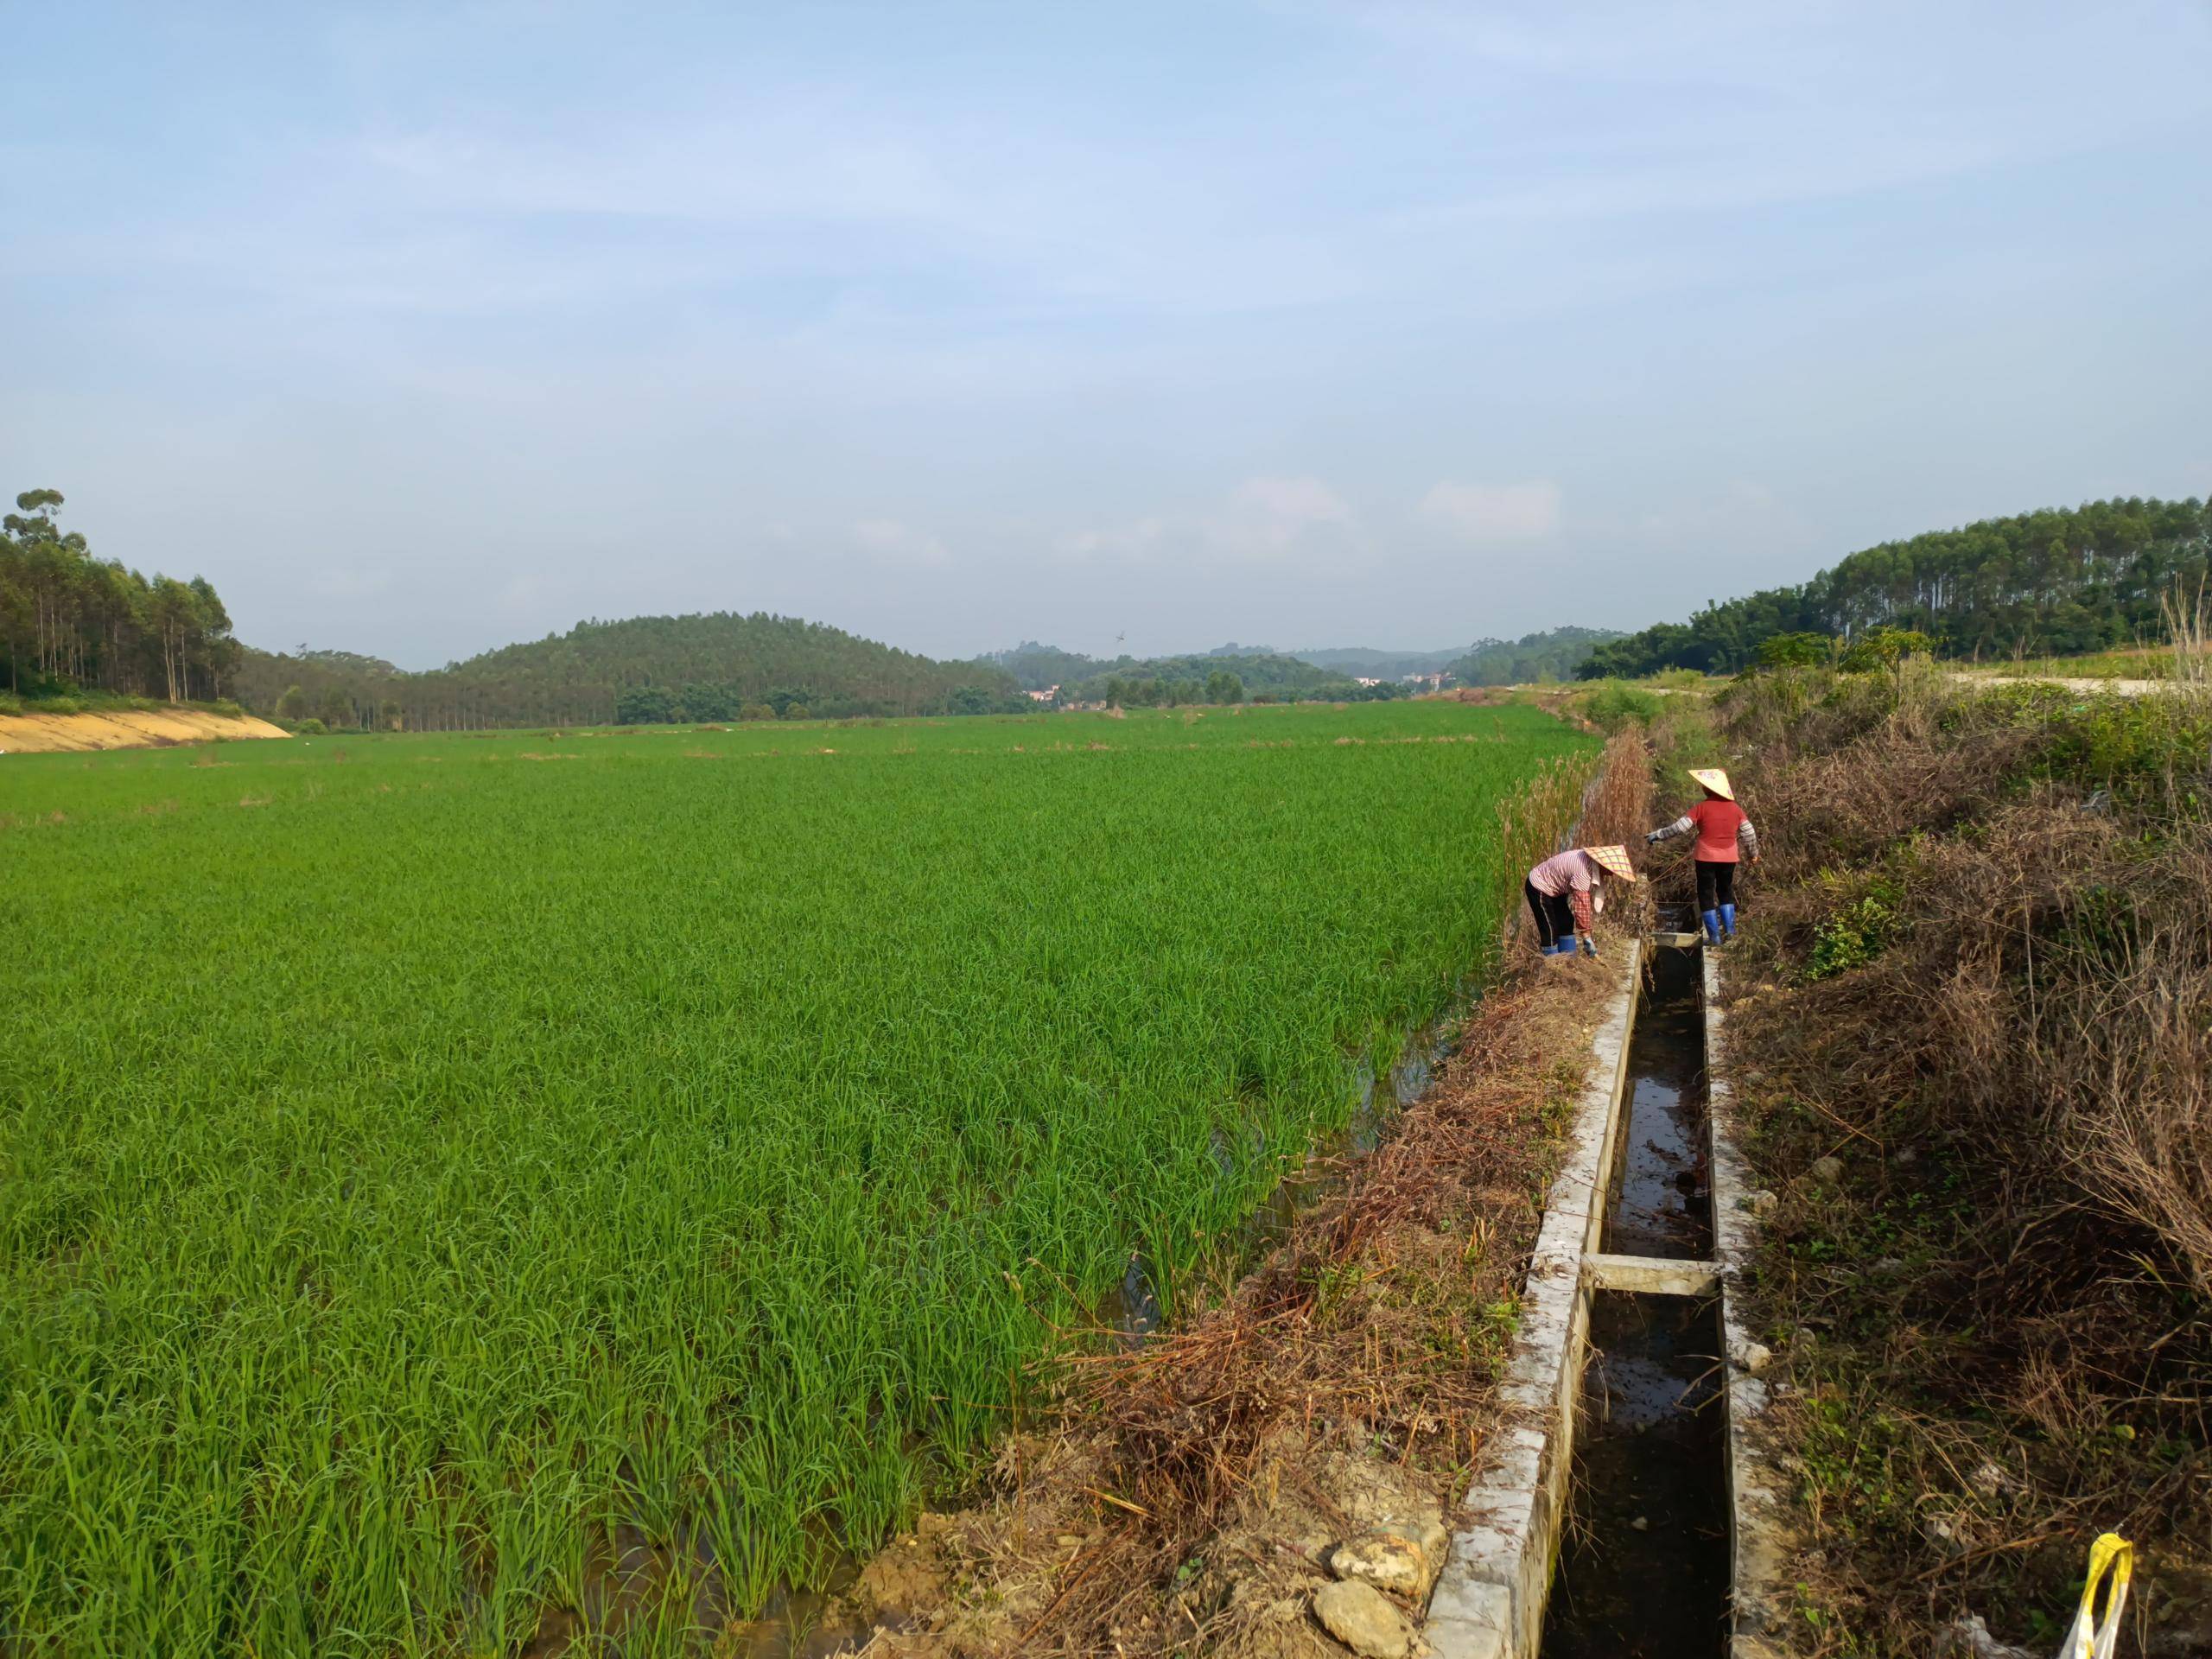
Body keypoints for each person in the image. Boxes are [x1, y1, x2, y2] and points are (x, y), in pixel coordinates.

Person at [1645, 768, 1759, 945]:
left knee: (1706, 894)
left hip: (1705, 857)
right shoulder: (1736, 809)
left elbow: (1679, 827)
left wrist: (1658, 834)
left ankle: (1714, 938)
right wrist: (1753, 854)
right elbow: (1749, 833)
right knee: (1725, 891)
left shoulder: (1701, 808)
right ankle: (1730, 933)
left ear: (1709, 789)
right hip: (1729, 858)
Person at [1524, 844, 1639, 958]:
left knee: (1567, 921)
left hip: (1555, 887)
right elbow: (1582, 906)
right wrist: (1587, 937)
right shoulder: (1583, 872)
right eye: (1612, 870)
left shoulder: (1589, 862)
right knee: (1549, 929)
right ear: (1604, 865)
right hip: (1538, 885)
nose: (1612, 874)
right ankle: (1552, 966)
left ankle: (1569, 960)